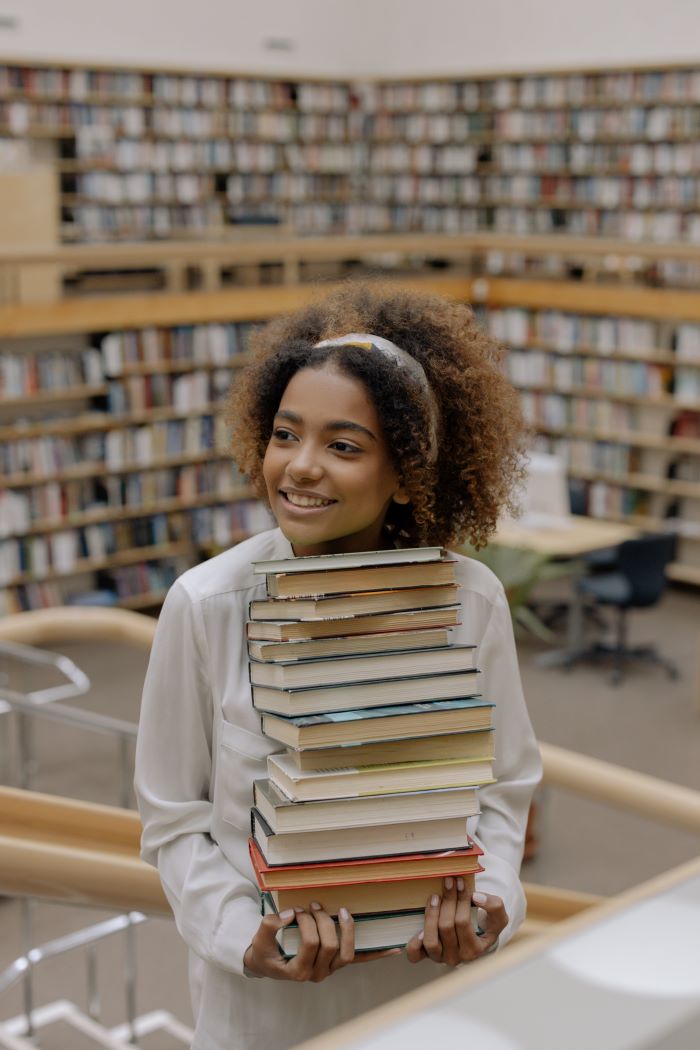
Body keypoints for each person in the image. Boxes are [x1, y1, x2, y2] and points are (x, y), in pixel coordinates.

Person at [135, 281, 542, 1050]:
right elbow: (172, 816)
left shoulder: (471, 601)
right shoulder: (206, 604)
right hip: (265, 1010)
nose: (301, 467)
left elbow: (506, 786)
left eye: (344, 446)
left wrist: (490, 904)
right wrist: (239, 934)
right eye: (285, 435)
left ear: (408, 474)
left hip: (423, 997)